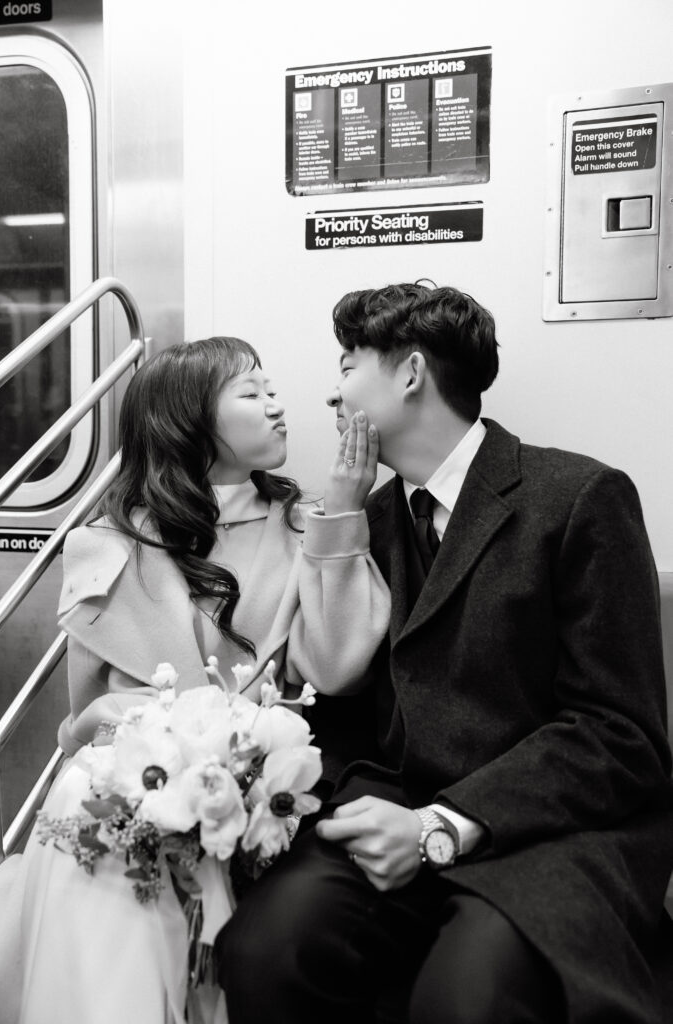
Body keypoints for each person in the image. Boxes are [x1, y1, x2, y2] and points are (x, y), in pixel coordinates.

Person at [216, 285, 673, 1024]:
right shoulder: (367, 516)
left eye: (346, 366)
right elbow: (334, 683)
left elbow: (619, 733)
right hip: (394, 805)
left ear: (410, 373)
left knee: (468, 996)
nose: (331, 395)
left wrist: (444, 824)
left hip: (546, 832)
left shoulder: (577, 496)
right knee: (265, 948)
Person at [0, 336, 389, 1024]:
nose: (276, 406)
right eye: (252, 393)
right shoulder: (110, 543)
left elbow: (333, 670)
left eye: (272, 390)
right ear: (191, 420)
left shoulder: (305, 524)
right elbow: (82, 719)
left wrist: (345, 511)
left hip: (261, 780)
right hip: (124, 776)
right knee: (92, 787)